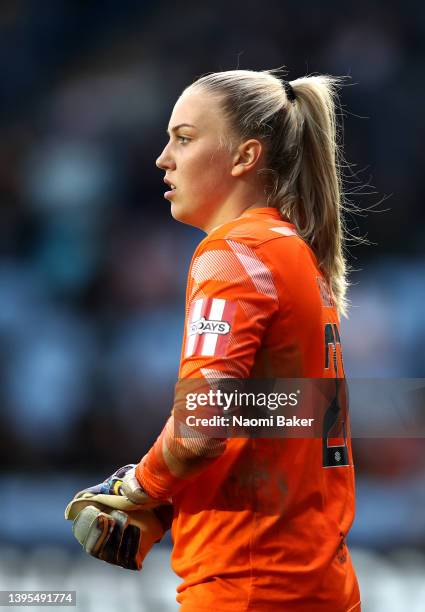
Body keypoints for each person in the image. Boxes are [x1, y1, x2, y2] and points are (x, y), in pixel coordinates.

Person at [71, 69, 360, 611]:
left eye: (184, 138)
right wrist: (164, 506)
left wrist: (139, 487)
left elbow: (199, 429)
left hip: (245, 586)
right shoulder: (293, 254)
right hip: (318, 584)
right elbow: (273, 416)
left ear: (244, 157)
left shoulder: (232, 254)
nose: (164, 158)